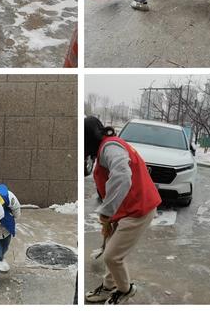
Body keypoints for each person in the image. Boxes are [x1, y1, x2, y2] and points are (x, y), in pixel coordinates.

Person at [84, 117, 161, 305]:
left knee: (112, 256)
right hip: (125, 208)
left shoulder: (109, 148)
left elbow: (122, 175)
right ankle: (108, 286)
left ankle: (126, 289)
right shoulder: (107, 146)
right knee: (111, 249)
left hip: (137, 210)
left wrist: (108, 212)